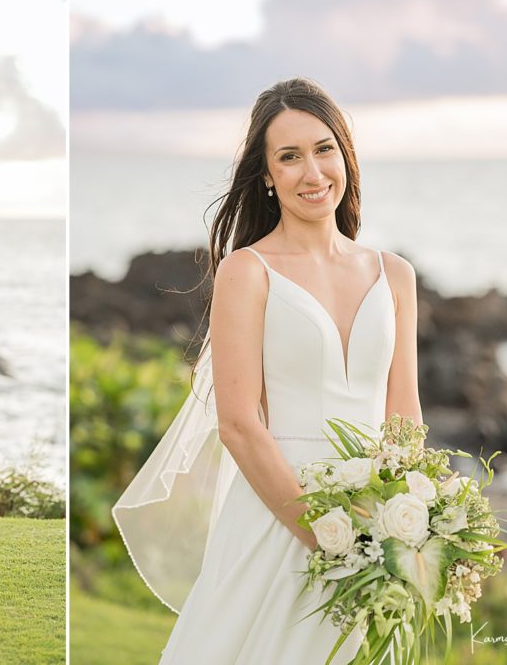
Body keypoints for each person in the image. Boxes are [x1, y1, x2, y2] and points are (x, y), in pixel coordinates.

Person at [112, 77, 423, 662]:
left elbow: (403, 413)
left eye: (324, 148)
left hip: (378, 517)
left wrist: (411, 521)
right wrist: (328, 537)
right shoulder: (246, 272)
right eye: (289, 156)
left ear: (346, 155)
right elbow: (238, 424)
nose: (313, 172)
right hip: (279, 513)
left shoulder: (395, 274)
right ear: (267, 175)